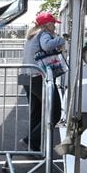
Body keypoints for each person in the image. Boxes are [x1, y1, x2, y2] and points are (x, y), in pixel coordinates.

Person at [19, 11, 66, 151]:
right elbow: (46, 46)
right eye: (53, 24)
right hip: (37, 77)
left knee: (36, 112)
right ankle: (30, 140)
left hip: (25, 76)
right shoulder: (44, 34)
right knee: (55, 112)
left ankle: (33, 146)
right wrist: (62, 40)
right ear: (47, 24)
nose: (55, 27)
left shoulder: (32, 35)